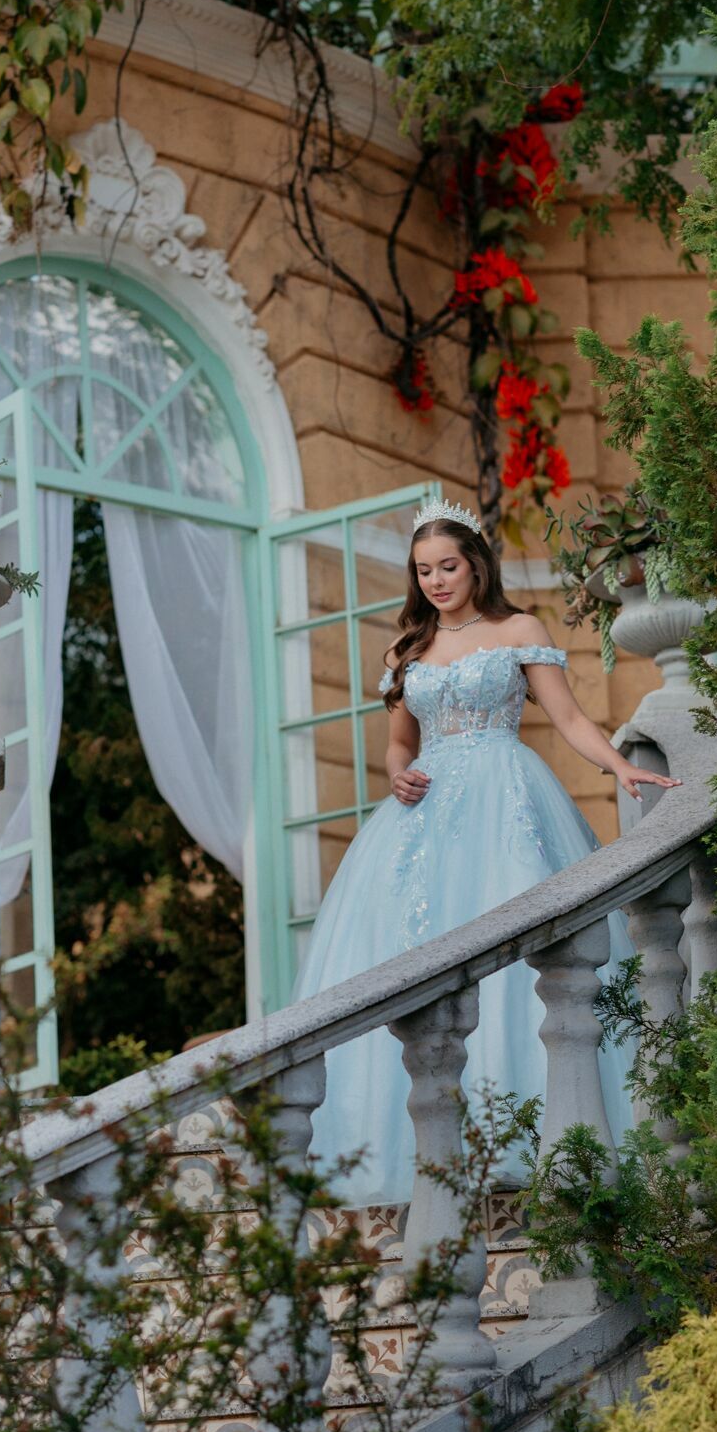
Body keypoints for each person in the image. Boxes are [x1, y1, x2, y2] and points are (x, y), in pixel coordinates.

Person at [292, 499, 682, 1205]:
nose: (437, 580)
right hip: (424, 812)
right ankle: (421, 1152)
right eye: (424, 571)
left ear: (475, 563)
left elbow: (565, 716)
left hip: (506, 799)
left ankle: (532, 1136)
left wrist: (618, 768)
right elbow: (400, 743)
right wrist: (395, 772)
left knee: (521, 944)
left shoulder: (518, 629)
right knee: (411, 949)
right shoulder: (406, 649)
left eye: (448, 566)